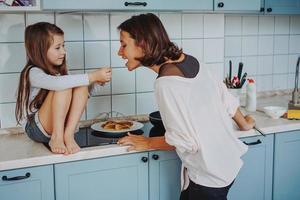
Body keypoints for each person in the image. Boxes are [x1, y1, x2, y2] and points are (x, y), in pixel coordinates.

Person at [117, 13, 255, 200]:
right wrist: (244, 124)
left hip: (209, 176)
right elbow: (225, 97)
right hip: (226, 165)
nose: (120, 52)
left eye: (124, 44)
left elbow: (184, 142)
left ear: (143, 43)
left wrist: (147, 143)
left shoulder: (166, 84)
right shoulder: (191, 60)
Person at [15, 22, 112, 155]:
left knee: (80, 85)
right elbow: (58, 84)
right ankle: (57, 137)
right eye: (57, 47)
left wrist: (95, 82)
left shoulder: (60, 74)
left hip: (59, 127)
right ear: (39, 50)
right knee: (65, 85)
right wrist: (92, 76)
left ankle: (68, 135)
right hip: (35, 129)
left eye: (63, 46)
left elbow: (81, 96)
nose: (64, 52)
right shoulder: (32, 72)